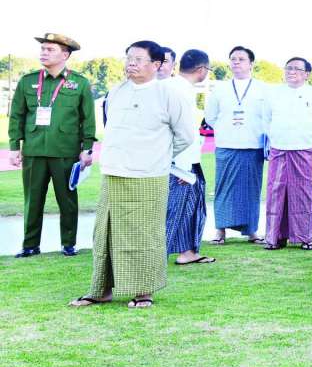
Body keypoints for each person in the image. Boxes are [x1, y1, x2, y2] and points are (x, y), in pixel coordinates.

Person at [70, 41, 194, 308]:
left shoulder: (169, 95)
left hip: (149, 176)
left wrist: (157, 155)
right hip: (114, 172)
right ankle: (101, 289)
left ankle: (143, 292)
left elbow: (185, 136)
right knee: (105, 232)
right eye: (129, 58)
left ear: (156, 64)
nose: (131, 64)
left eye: (138, 59)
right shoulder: (116, 92)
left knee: (144, 234)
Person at [8, 33, 95, 258]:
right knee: (32, 200)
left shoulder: (80, 83)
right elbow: (16, 116)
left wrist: (87, 149)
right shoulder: (28, 81)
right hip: (34, 151)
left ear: (65, 55)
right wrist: (14, 147)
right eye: (43, 49)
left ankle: (68, 244)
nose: (44, 53)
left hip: (65, 151)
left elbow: (88, 119)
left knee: (67, 201)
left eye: (50, 49)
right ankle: (30, 245)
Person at [262, 57, 312, 251]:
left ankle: (306, 238)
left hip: (306, 150)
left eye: (297, 69)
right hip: (279, 149)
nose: (291, 72)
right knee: (276, 192)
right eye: (288, 68)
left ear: (307, 74)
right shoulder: (273, 94)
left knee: (305, 192)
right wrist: (275, 138)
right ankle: (275, 237)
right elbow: (266, 120)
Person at [205, 46, 270, 244]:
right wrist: (227, 129)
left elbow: (269, 117)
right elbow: (210, 117)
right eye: (233, 59)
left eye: (241, 59)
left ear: (251, 64)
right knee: (223, 187)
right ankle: (220, 230)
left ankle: (251, 231)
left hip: (253, 145)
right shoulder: (220, 89)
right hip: (227, 145)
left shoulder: (264, 89)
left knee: (251, 190)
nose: (236, 62)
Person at [164, 49, 215, 265]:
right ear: (201, 69)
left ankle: (188, 251)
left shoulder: (172, 86)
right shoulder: (180, 91)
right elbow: (180, 132)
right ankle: (158, 256)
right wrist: (183, 168)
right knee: (174, 209)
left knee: (191, 208)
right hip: (180, 164)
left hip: (183, 160)